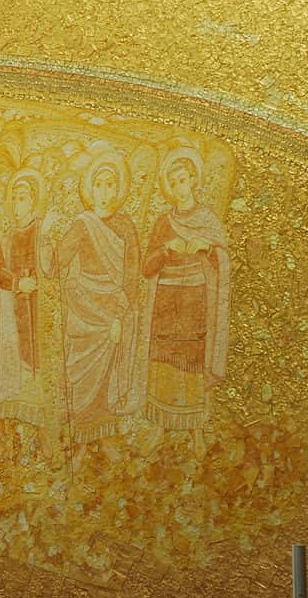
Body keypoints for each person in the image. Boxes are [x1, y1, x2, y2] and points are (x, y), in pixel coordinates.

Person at [141, 145, 231, 456]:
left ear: (194, 180)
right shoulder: (163, 222)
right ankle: (159, 428)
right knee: (163, 362)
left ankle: (195, 432)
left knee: (191, 362)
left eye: (183, 180)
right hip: (166, 300)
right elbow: (147, 266)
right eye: (173, 182)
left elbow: (223, 259)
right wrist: (166, 249)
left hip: (194, 300)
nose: (179, 188)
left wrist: (205, 246)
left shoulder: (207, 219)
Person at [54, 148, 143, 456]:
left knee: (107, 376)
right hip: (84, 310)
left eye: (109, 185)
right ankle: (79, 439)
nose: (104, 193)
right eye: (98, 185)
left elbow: (132, 275)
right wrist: (46, 237)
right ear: (89, 189)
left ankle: (102, 435)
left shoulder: (126, 227)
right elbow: (55, 265)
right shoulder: (82, 225)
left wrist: (120, 315)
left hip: (112, 311)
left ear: (117, 189)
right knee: (79, 374)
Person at [0, 170, 56, 453]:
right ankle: (5, 420)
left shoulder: (40, 230)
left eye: (23, 198)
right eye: (15, 198)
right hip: (13, 310)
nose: (18, 204)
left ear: (33, 200)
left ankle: (43, 427)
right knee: (12, 362)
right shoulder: (6, 237)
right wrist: (19, 283)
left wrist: (44, 240)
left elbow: (51, 268)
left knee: (37, 366)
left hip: (37, 310)